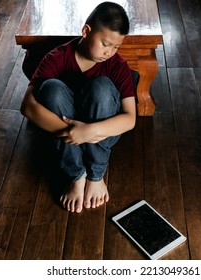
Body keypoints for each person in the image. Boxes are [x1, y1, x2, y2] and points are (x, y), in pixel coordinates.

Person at [21, 2, 136, 213]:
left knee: (101, 86)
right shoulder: (57, 57)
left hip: (99, 132)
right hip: (65, 130)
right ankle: (77, 175)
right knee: (51, 88)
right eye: (105, 44)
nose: (109, 52)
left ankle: (96, 175)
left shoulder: (117, 65)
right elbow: (27, 106)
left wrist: (89, 131)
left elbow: (130, 118)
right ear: (86, 31)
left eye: (116, 47)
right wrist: (73, 133)